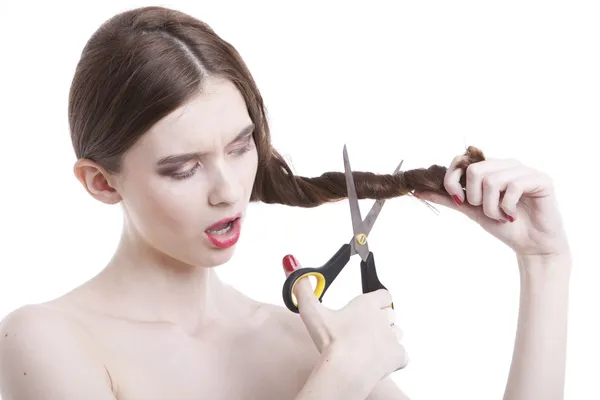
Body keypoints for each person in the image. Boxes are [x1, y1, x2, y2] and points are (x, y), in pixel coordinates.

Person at [0, 6, 571, 400]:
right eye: (183, 167)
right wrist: (339, 380)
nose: (228, 190)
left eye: (240, 145)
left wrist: (544, 264)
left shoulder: (300, 336)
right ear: (102, 183)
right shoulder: (48, 339)